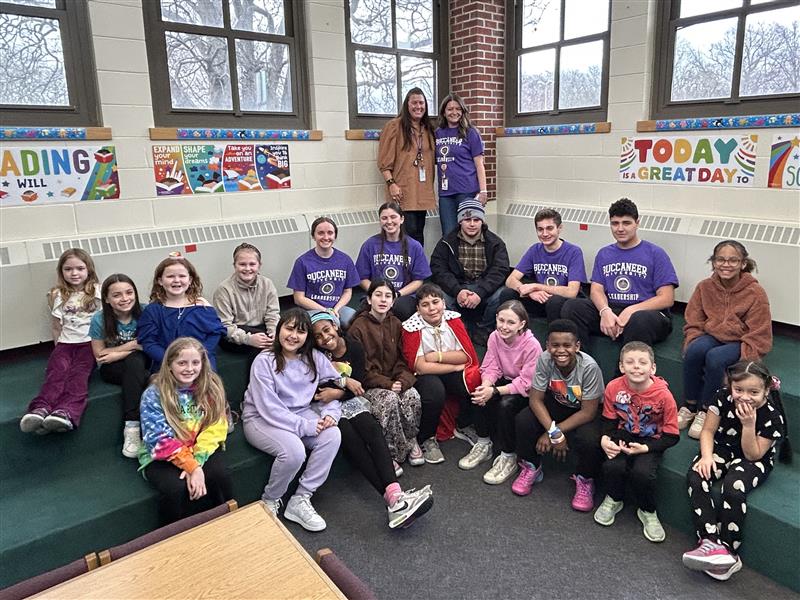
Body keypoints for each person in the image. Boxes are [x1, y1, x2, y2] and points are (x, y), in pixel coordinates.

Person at [310, 310, 434, 529]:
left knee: (372, 430)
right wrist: (338, 390)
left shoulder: (354, 347)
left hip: (347, 399)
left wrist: (339, 391)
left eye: (327, 330)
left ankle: (395, 496)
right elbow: (315, 390)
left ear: (335, 326)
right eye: (318, 336)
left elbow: (358, 384)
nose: (324, 338)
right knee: (351, 439)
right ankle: (394, 501)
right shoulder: (316, 354)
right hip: (324, 407)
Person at [682, 360, 790, 581]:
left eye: (753, 392)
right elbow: (708, 431)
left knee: (734, 487)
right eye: (738, 389)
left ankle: (729, 551)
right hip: (723, 447)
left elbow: (753, 455)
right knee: (697, 475)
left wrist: (749, 425)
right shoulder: (722, 398)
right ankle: (709, 541)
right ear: (730, 386)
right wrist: (706, 457)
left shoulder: (772, 417)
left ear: (766, 390)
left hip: (753, 456)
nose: (744, 397)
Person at [242, 309, 342, 531]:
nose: (293, 336)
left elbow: (332, 387)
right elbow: (269, 407)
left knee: (332, 435)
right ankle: (269, 500)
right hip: (260, 418)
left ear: (307, 336)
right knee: (294, 451)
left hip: (300, 413)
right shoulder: (264, 361)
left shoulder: (315, 358)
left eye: (301, 331)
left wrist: (330, 414)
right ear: (279, 329)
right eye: (289, 329)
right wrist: (304, 426)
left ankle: (301, 498)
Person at [680, 240, 772, 439]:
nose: (726, 264)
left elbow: (760, 332)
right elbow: (694, 320)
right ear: (713, 262)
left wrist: (747, 358)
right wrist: (693, 338)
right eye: (720, 260)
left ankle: (706, 410)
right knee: (695, 350)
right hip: (712, 335)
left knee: (715, 358)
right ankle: (689, 405)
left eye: (733, 260)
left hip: (740, 340)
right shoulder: (704, 287)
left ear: (743, 263)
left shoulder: (755, 292)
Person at [561, 198, 678, 349]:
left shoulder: (655, 253)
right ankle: (582, 360)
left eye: (626, 223)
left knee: (639, 320)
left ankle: (627, 364)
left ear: (637, 223)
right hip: (613, 309)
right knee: (572, 307)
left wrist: (631, 310)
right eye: (615, 223)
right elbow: (596, 290)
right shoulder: (604, 254)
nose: (620, 228)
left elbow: (667, 298)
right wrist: (605, 311)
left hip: (647, 314)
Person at [512, 319, 604, 512]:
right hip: (558, 401)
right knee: (524, 420)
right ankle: (531, 466)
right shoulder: (545, 359)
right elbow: (535, 400)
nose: (561, 350)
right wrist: (553, 431)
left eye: (567, 345)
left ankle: (585, 480)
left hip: (583, 410)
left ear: (577, 346)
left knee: (589, 439)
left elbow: (588, 412)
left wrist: (553, 433)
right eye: (555, 345)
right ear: (547, 346)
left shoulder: (589, 367)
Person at [138, 337, 232, 524]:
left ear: (203, 364)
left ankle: (224, 524)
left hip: (199, 447)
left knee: (219, 475)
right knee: (175, 488)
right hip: (163, 454)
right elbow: (159, 440)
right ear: (169, 365)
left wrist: (197, 461)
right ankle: (171, 535)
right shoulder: (154, 394)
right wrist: (192, 467)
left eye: (195, 363)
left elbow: (216, 427)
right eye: (182, 363)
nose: (189, 369)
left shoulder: (211, 387)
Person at [594, 342, 679, 543]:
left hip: (652, 439)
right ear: (621, 366)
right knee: (612, 466)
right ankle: (614, 498)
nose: (636, 367)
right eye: (630, 362)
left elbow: (672, 436)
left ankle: (647, 510)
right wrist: (605, 438)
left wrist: (647, 448)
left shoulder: (664, 396)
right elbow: (609, 420)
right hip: (624, 433)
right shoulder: (613, 387)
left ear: (653, 368)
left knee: (642, 473)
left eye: (642, 362)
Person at [20, 248, 101, 434]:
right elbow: (56, 326)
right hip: (65, 344)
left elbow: (105, 322)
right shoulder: (58, 295)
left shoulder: (97, 291)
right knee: (56, 373)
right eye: (68, 269)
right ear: (61, 271)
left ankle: (66, 411)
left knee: (78, 376)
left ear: (88, 269)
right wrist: (58, 350)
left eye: (80, 268)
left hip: (88, 344)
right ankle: (40, 409)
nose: (74, 273)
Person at [401, 283, 482, 466]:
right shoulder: (411, 328)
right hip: (426, 375)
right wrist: (453, 367)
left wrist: (436, 357)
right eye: (425, 304)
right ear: (418, 309)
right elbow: (421, 367)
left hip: (444, 366)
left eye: (435, 302)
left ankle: (464, 423)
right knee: (435, 392)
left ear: (444, 303)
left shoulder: (453, 321)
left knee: (474, 378)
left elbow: (466, 356)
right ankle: (427, 438)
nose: (432, 308)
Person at [347, 279, 423, 465]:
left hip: (394, 379)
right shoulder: (358, 327)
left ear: (393, 301)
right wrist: (388, 384)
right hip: (370, 384)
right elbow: (361, 369)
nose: (383, 300)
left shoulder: (396, 324)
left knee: (412, 395)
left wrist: (402, 381)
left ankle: (411, 441)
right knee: (389, 400)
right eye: (378, 295)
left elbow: (404, 359)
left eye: (388, 296)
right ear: (369, 299)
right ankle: (390, 453)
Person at [471, 300, 542, 484]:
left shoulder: (532, 345)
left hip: (528, 390)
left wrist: (494, 391)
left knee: (505, 405)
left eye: (511, 322)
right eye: (501, 320)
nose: (504, 326)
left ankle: (508, 455)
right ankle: (483, 443)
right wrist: (486, 387)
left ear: (521, 324)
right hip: (506, 380)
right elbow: (491, 366)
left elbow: (526, 382)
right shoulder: (494, 337)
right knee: (478, 392)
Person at [429, 198, 510, 346]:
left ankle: (484, 329)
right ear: (460, 221)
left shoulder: (496, 243)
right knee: (439, 296)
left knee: (502, 294)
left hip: (483, 286)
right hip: (458, 286)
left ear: (482, 221)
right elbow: (438, 269)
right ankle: (459, 328)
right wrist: (457, 290)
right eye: (467, 220)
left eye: (476, 220)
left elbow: (500, 270)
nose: (472, 224)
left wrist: (480, 292)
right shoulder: (446, 242)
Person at [90, 274, 150, 457]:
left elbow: (148, 345)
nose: (125, 298)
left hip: (139, 361)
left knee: (135, 362)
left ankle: (132, 426)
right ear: (107, 299)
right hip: (112, 368)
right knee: (137, 370)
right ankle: (135, 430)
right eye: (117, 295)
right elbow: (100, 355)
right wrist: (133, 345)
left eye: (129, 292)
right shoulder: (99, 319)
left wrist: (117, 353)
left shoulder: (145, 311)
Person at [138, 253, 226, 372]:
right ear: (160, 280)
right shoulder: (152, 311)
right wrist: (172, 361)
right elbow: (149, 342)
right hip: (166, 366)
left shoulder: (202, 307)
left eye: (182, 276)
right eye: (170, 276)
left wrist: (197, 358)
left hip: (201, 365)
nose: (176, 280)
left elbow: (214, 334)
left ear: (190, 280)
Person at [501, 208, 586, 323]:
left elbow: (572, 292)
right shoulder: (534, 250)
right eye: (540, 229)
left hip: (561, 302)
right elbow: (510, 280)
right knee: (507, 293)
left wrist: (536, 286)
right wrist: (530, 292)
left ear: (559, 228)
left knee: (555, 302)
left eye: (549, 228)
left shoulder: (573, 252)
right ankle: (511, 332)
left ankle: (553, 334)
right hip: (539, 298)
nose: (545, 234)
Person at [378, 87, 436, 246]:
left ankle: (417, 262)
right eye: (414, 103)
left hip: (422, 191)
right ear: (407, 105)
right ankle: (404, 262)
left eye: (421, 103)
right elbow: (384, 162)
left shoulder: (428, 129)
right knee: (405, 234)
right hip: (402, 191)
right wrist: (391, 184)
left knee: (418, 234)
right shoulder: (394, 126)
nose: (418, 106)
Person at [355, 201, 431, 322]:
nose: (389, 221)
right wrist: (379, 293)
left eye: (393, 217)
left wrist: (397, 294)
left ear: (402, 219)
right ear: (380, 221)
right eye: (384, 218)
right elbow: (362, 278)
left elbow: (418, 280)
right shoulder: (370, 245)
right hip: (376, 295)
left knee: (400, 309)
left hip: (404, 295)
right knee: (360, 317)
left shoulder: (414, 246)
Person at [287, 217, 360, 328]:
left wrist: (336, 309)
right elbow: (299, 298)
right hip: (312, 310)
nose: (326, 237)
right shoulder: (302, 262)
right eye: (321, 233)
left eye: (330, 233)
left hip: (338, 308)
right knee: (330, 325)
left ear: (335, 236)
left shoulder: (345, 260)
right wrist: (325, 311)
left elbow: (347, 291)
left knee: (358, 322)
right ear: (313, 236)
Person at [213, 242, 280, 359]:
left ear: (259, 265)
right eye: (242, 264)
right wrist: (249, 339)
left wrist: (274, 332)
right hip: (235, 333)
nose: (247, 268)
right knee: (261, 347)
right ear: (235, 265)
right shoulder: (224, 290)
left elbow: (273, 314)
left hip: (261, 328)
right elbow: (225, 325)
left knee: (282, 338)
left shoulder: (267, 284)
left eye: (252, 264)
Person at [435, 92, 488, 236]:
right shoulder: (438, 133)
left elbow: (479, 164)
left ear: (463, 111)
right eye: (450, 109)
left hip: (467, 191)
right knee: (449, 234)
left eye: (458, 109)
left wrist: (483, 191)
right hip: (446, 193)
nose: (454, 112)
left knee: (468, 232)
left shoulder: (471, 132)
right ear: (444, 112)